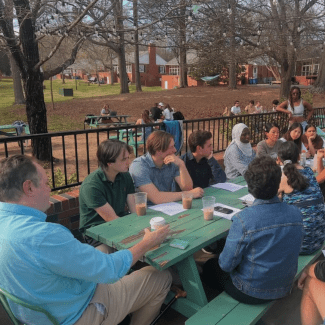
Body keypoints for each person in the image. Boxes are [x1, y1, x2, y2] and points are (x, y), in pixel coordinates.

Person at [0, 155, 172, 325]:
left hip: (41, 309)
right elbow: (110, 270)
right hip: (78, 313)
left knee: (105, 249)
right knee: (161, 277)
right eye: (46, 183)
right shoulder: (43, 235)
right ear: (29, 188)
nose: (49, 189)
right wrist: (147, 242)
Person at [202, 155, 304, 304]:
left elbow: (225, 264)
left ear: (250, 187)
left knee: (210, 266)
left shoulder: (243, 220)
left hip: (252, 291)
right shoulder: (296, 213)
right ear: (278, 184)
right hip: (284, 285)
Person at [79, 139, 136, 252]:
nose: (128, 162)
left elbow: (134, 210)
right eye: (124, 159)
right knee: (109, 256)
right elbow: (111, 219)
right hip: (96, 232)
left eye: (128, 158)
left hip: (120, 222)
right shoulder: (92, 185)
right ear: (109, 163)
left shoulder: (125, 176)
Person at [129, 130, 204, 205]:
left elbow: (188, 188)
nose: (175, 150)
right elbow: (156, 198)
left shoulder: (172, 161)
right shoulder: (139, 166)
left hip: (168, 207)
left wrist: (182, 165)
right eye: (171, 147)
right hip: (146, 211)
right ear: (158, 150)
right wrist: (188, 194)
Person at [277, 141, 325, 255]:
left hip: (298, 245)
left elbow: (271, 200)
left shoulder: (283, 176)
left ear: (278, 159)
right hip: (319, 239)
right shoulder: (308, 171)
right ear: (299, 156)